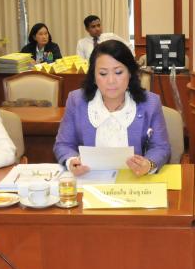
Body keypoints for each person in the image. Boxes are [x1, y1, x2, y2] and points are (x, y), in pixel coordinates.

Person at [54, 39, 170, 176]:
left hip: (134, 180)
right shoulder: (76, 101)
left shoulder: (150, 103)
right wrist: (71, 161)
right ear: (93, 76)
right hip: (89, 179)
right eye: (103, 74)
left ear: (130, 73)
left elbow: (160, 147)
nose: (111, 81)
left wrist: (149, 164)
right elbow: (64, 144)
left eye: (118, 72)